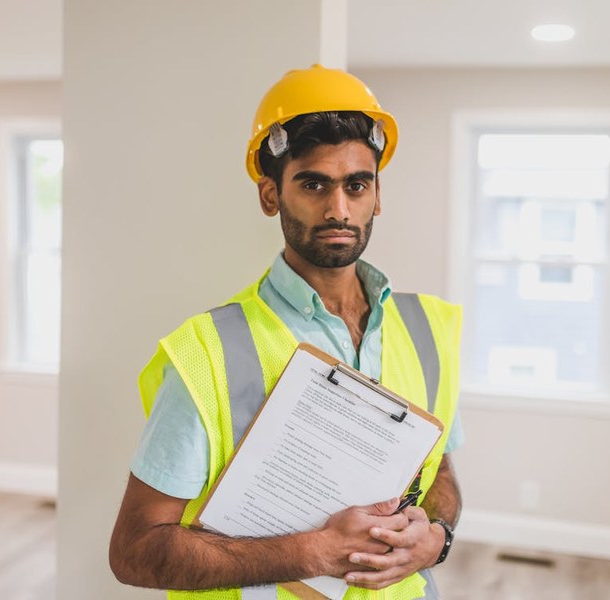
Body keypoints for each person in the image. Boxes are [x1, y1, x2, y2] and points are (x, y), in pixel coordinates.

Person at [109, 64, 463, 600]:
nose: (339, 209)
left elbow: (437, 470)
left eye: (356, 185)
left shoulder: (428, 328)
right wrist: (316, 552)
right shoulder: (208, 350)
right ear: (270, 195)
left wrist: (436, 538)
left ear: (377, 195)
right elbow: (135, 550)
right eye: (314, 184)